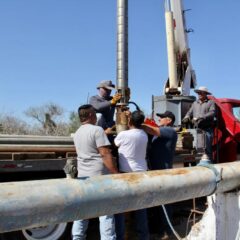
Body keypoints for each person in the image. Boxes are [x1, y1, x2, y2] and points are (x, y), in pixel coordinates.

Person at [71, 104, 118, 240]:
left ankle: (77, 238)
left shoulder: (78, 132)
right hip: (99, 178)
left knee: (82, 213)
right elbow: (105, 154)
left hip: (83, 178)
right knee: (105, 213)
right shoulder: (97, 130)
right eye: (95, 114)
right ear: (91, 115)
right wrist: (115, 173)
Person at [114, 110, 149, 240]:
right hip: (141, 173)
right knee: (141, 207)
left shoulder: (123, 135)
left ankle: (121, 236)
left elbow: (115, 144)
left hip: (126, 174)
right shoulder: (144, 135)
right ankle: (143, 236)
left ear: (130, 121)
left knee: (122, 207)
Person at [142, 110, 177, 240]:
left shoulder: (170, 131)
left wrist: (138, 122)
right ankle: (159, 229)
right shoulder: (160, 133)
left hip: (163, 171)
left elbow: (152, 130)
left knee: (164, 203)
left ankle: (167, 231)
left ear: (169, 120)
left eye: (162, 118)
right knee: (158, 202)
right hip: (156, 171)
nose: (159, 120)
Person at [182, 86, 216, 160]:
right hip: (197, 130)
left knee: (207, 149)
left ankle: (209, 165)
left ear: (206, 94)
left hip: (207, 130)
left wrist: (201, 117)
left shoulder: (211, 103)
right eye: (198, 93)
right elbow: (189, 112)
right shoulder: (194, 103)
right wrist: (186, 117)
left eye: (201, 93)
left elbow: (212, 113)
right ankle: (199, 166)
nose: (199, 94)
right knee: (197, 149)